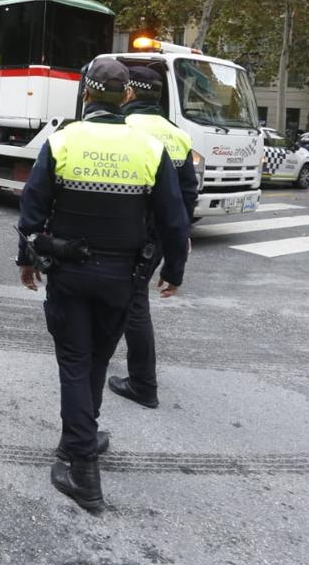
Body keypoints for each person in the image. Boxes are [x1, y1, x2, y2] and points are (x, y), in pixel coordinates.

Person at [16, 57, 189, 511]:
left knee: (75, 363)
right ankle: (81, 438)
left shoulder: (61, 141)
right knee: (94, 362)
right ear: (125, 96)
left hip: (69, 273)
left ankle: (82, 469)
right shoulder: (149, 147)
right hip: (122, 278)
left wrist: (26, 261)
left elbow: (32, 210)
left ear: (86, 94)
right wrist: (174, 271)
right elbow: (174, 219)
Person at [107, 65, 198, 411]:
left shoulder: (123, 128)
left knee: (132, 304)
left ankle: (143, 384)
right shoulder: (177, 134)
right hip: (159, 236)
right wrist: (180, 242)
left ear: (128, 92)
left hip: (125, 231)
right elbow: (187, 194)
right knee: (130, 296)